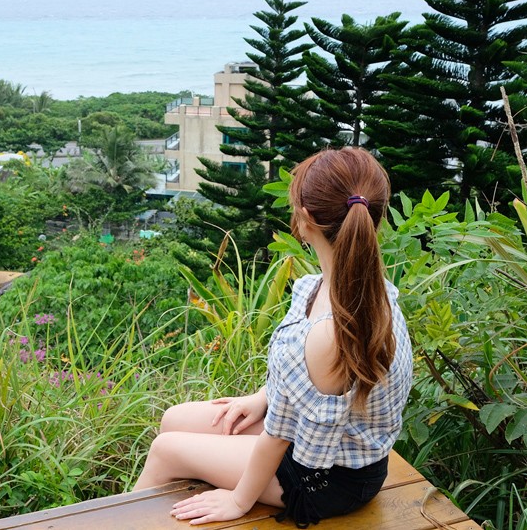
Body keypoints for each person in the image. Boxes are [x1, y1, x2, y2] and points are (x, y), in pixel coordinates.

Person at [133, 147, 413, 527]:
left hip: (330, 476)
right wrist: (261, 398)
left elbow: (278, 438)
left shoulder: (332, 332)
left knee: (166, 450)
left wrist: (238, 499)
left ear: (306, 219)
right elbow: (305, 395)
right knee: (175, 419)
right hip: (326, 443)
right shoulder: (345, 288)